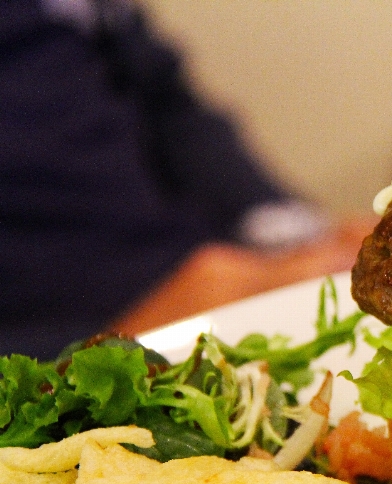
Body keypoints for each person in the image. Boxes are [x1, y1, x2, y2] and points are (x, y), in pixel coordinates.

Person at [0, 0, 371, 360]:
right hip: (89, 347)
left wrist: (298, 237)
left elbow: (168, 103)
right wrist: (108, 346)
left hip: (207, 281)